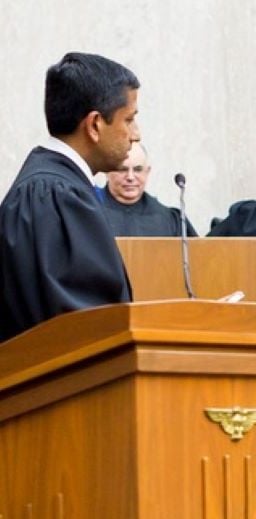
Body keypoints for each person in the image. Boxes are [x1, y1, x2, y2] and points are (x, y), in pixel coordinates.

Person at [0, 52, 140, 342]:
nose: (135, 134)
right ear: (94, 125)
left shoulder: (52, 187)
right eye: (129, 119)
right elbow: (84, 327)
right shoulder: (54, 195)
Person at [99, 142, 197, 237]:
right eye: (122, 169)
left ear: (147, 172)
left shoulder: (169, 220)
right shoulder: (90, 213)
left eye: (138, 169)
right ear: (107, 171)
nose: (130, 177)